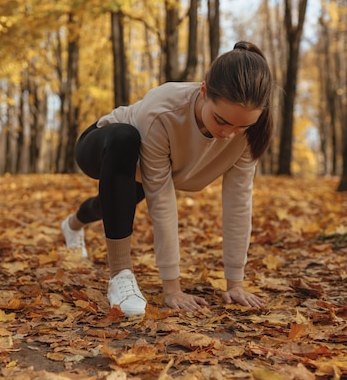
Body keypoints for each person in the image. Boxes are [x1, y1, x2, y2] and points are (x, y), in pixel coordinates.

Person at [61, 41, 273, 316]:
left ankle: (73, 225)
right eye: (221, 120)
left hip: (143, 173)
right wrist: (172, 288)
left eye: (242, 125)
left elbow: (239, 202)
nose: (228, 133)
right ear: (204, 90)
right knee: (125, 139)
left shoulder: (251, 133)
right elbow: (162, 200)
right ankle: (120, 276)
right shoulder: (164, 109)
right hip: (106, 146)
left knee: (110, 207)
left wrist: (235, 282)